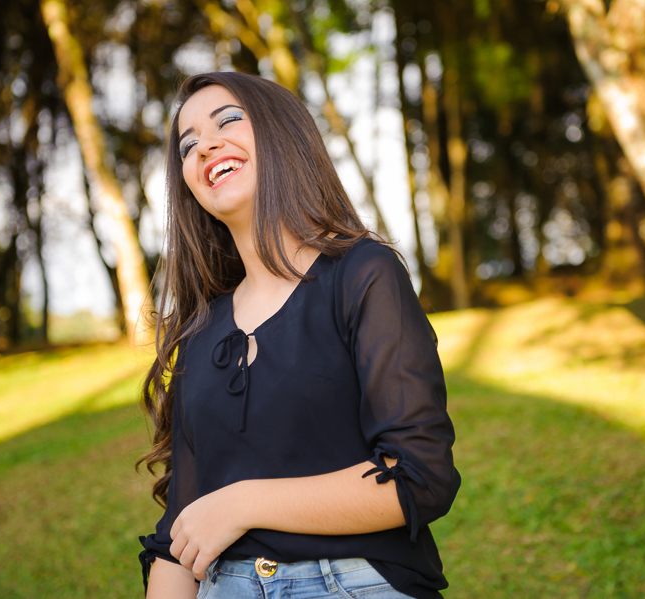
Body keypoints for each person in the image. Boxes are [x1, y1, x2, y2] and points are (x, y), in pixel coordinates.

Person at [137, 71, 461, 599]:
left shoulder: (363, 274)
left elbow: (418, 479)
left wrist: (242, 503)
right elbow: (181, 536)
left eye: (228, 120)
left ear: (282, 134)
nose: (205, 146)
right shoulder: (199, 333)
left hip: (354, 583)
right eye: (188, 145)